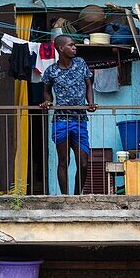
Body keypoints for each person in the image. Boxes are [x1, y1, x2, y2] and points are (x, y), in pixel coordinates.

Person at [41, 35, 96, 195]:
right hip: (60, 120)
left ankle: (77, 195)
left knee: (83, 163)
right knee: (64, 161)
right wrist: (48, 102)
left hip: (79, 119)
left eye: (74, 45)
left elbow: (88, 84)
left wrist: (90, 102)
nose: (74, 48)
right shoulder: (51, 71)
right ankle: (65, 198)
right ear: (61, 48)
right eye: (71, 45)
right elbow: (46, 91)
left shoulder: (80, 63)